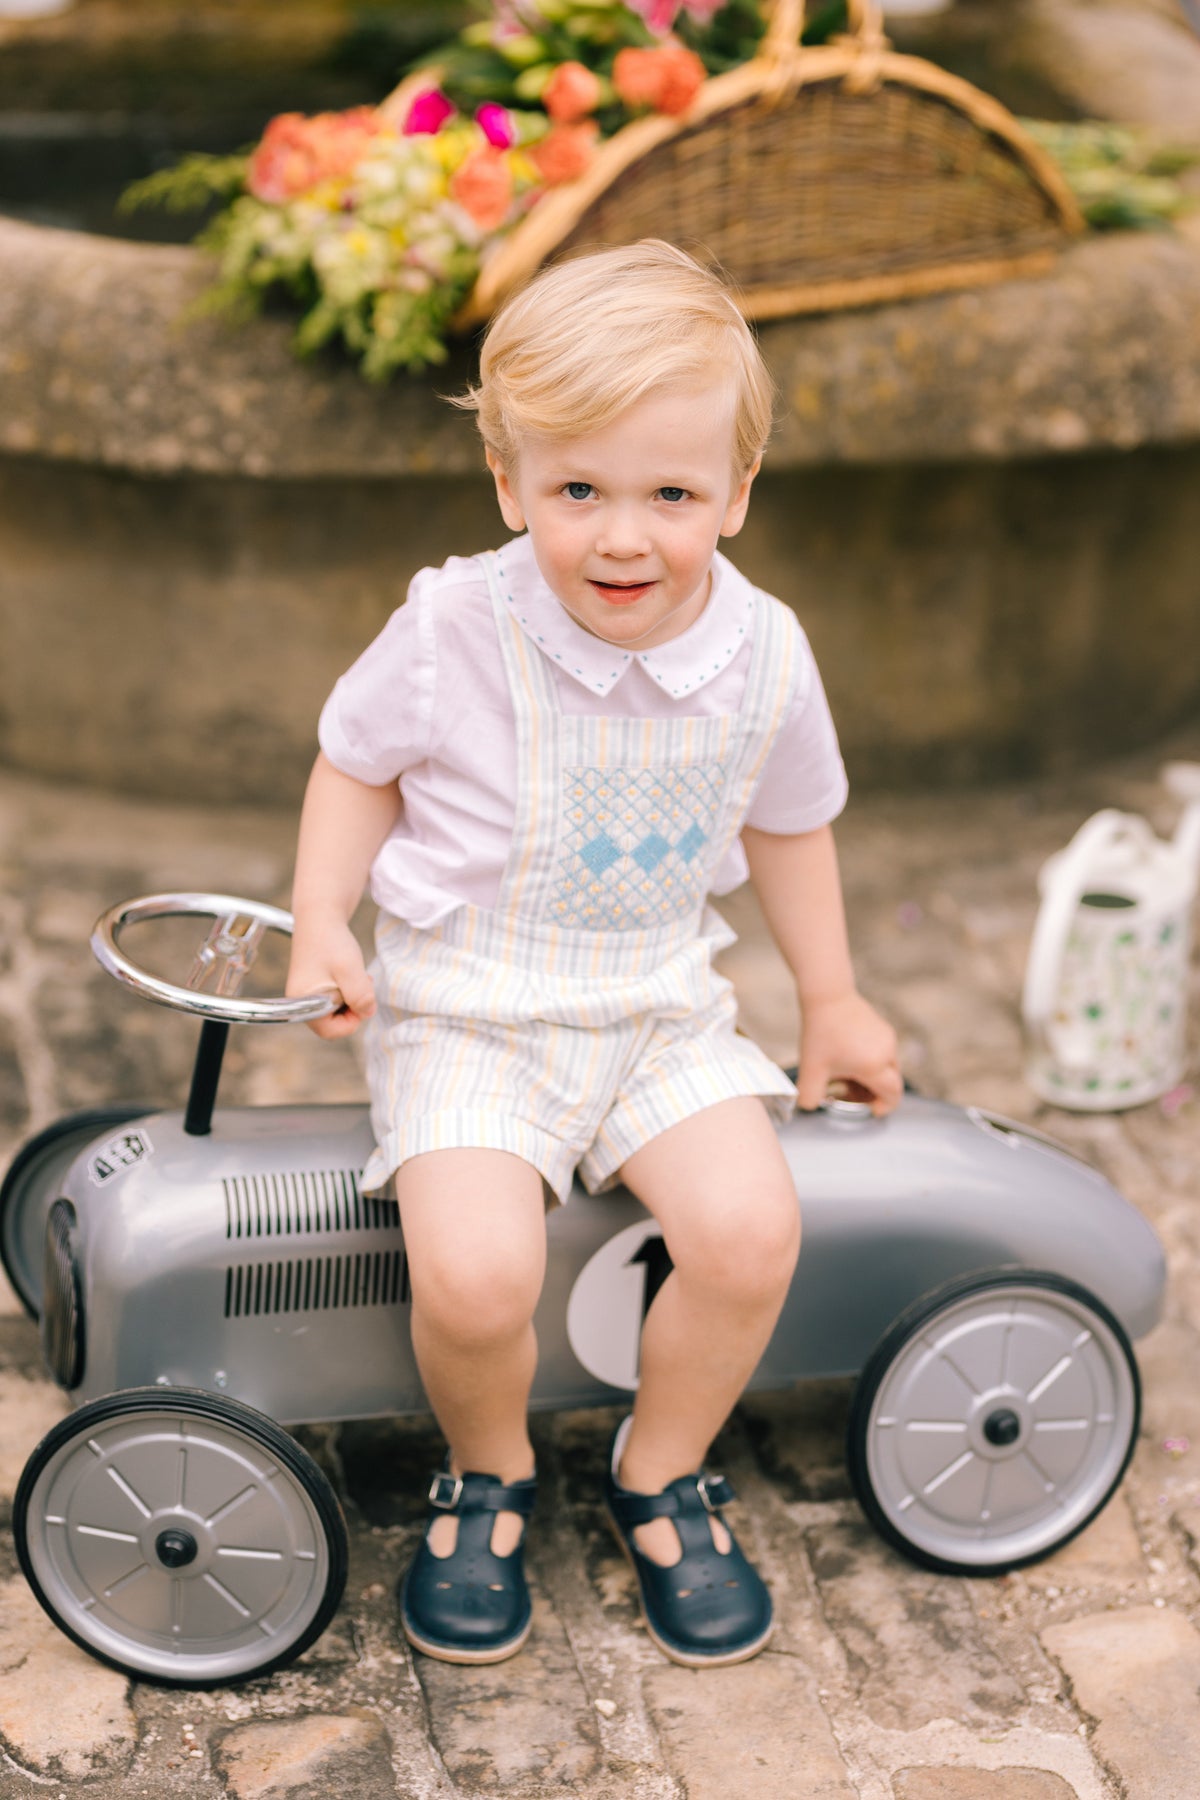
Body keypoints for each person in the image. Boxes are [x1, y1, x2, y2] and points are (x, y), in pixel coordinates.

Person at [285, 239, 902, 1671]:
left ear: (736, 495)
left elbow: (795, 823)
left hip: (654, 1007)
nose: (623, 540)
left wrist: (835, 997)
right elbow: (354, 764)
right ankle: (487, 1472)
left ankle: (660, 1467)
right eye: (578, 492)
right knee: (480, 1273)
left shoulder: (766, 653)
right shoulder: (455, 624)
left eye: (672, 496)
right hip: (471, 1012)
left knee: (751, 1235)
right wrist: (325, 912)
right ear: (511, 484)